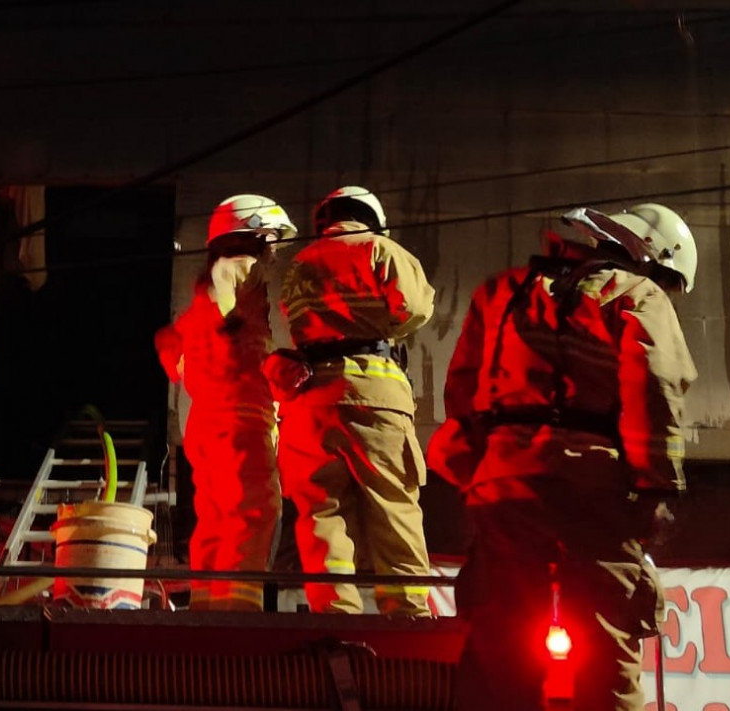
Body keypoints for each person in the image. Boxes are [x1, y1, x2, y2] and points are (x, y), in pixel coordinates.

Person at [426, 203, 698, 710]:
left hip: (505, 484)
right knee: (606, 647)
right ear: (653, 260)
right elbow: (655, 391)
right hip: (594, 489)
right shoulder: (637, 295)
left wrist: (484, 474)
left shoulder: (501, 291)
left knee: (500, 648)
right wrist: (656, 488)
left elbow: (463, 396)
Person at [266, 186, 434, 615]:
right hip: (374, 396)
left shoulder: (300, 263)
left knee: (322, 513)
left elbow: (293, 320)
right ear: (372, 218)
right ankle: (407, 614)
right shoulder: (380, 249)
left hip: (309, 401)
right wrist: (381, 327)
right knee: (392, 505)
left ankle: (335, 612)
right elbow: (415, 308)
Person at [155, 194, 295, 611]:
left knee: (216, 519)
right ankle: (239, 611)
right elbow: (221, 294)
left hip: (207, 421)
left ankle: (207, 608)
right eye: (272, 239)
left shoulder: (202, 293)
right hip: (241, 419)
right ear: (255, 234)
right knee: (254, 512)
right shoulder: (239, 267)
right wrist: (231, 322)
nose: (274, 253)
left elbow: (171, 344)